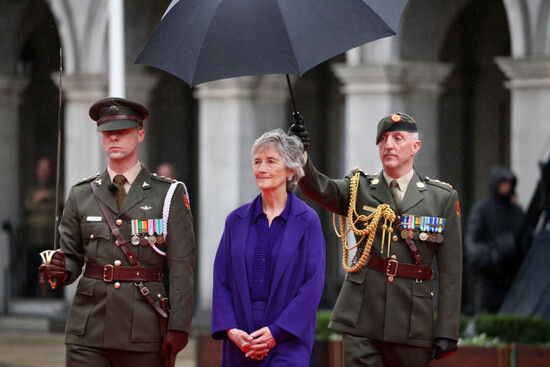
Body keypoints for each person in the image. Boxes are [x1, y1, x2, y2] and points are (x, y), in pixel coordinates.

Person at [289, 113, 463, 366]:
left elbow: (451, 273)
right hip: (362, 315)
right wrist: (301, 153)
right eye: (382, 139)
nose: (388, 145)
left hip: (412, 322)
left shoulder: (442, 198)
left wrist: (448, 331)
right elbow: (318, 187)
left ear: (416, 147)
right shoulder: (359, 187)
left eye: (397, 138)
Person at [46, 97, 196, 367]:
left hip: (144, 329)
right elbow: (71, 256)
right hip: (88, 330)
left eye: (122, 131)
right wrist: (58, 270)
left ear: (140, 135)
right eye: (107, 132)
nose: (113, 138)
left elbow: (181, 266)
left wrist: (179, 325)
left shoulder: (169, 193)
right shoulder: (81, 194)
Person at [211, 129, 326, 366]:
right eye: (257, 161)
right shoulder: (236, 220)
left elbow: (313, 284)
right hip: (240, 338)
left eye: (271, 161)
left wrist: (278, 332)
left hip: (288, 339)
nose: (261, 168)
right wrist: (231, 329)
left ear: (291, 170)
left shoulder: (308, 221)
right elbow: (221, 280)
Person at [464, 166, 524, 313]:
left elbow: (525, 242)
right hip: (489, 278)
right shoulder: (483, 210)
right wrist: (493, 253)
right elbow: (471, 246)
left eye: (509, 184)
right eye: (503, 183)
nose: (506, 187)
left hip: (514, 278)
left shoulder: (516, 212)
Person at [22, 156, 58, 297]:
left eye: (46, 168)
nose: (43, 172)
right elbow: (28, 205)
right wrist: (45, 202)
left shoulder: (54, 188)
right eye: (41, 168)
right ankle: (30, 296)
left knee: (51, 271)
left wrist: (45, 195)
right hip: (33, 237)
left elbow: (59, 202)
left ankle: (52, 296)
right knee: (32, 270)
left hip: (49, 237)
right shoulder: (31, 188)